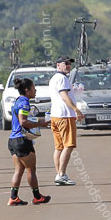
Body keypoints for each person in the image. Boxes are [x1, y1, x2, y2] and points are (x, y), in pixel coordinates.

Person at [7, 78, 51, 205]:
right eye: (33, 88)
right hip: (22, 140)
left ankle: (13, 197)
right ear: (27, 90)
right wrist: (41, 123)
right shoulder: (24, 102)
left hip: (13, 140)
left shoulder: (18, 100)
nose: (35, 90)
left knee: (19, 170)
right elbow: (23, 121)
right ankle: (37, 197)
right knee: (31, 169)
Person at [49, 56, 85, 185]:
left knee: (59, 147)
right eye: (66, 64)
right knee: (68, 146)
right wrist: (76, 110)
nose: (68, 66)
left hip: (56, 115)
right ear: (58, 65)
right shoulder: (62, 78)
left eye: (69, 64)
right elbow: (64, 96)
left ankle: (59, 174)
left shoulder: (55, 78)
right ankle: (61, 174)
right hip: (65, 115)